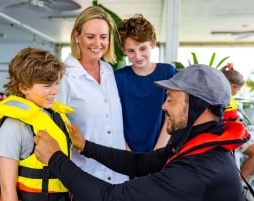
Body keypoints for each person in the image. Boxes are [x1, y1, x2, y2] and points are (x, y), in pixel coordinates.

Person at [34, 64, 250, 201]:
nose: (164, 106)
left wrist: (55, 158)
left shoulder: (198, 169)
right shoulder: (197, 144)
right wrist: (87, 147)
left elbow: (110, 197)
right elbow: (139, 163)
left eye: (171, 99)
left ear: (197, 106)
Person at [0, 47, 74, 201]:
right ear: (23, 87)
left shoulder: (54, 116)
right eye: (47, 86)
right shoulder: (13, 126)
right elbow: (7, 188)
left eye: (57, 83)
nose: (55, 91)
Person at [55, 5, 128, 184]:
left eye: (103, 37)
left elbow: (113, 124)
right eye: (90, 37)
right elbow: (56, 129)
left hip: (119, 175)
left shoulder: (108, 71)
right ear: (76, 37)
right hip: (85, 177)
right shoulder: (63, 76)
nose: (97, 43)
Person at [115, 14, 177, 152]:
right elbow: (114, 118)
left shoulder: (168, 72)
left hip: (162, 151)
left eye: (143, 48)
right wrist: (127, 152)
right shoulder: (118, 78)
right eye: (131, 51)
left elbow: (172, 115)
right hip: (126, 153)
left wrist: (158, 151)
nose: (137, 56)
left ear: (153, 43)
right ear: (123, 50)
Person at [221, 63, 254, 200]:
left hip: (235, 134)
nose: (237, 93)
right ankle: (240, 185)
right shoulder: (224, 97)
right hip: (229, 136)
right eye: (237, 89)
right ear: (231, 85)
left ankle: (244, 183)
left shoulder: (228, 98)